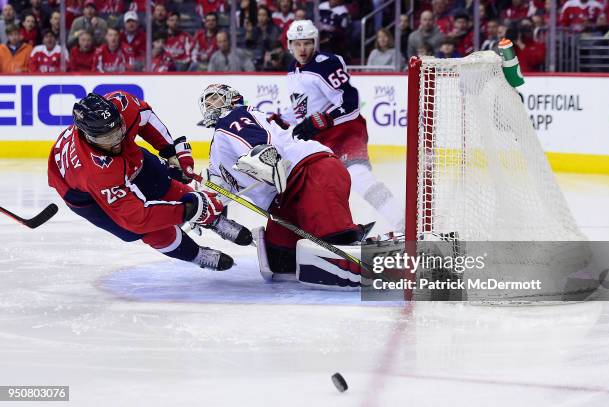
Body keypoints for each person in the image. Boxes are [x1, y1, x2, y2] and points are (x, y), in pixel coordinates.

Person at [48, 92, 252, 272]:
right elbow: (138, 218)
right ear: (90, 137)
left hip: (126, 161)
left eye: (119, 129)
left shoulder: (123, 105)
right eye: (108, 138)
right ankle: (196, 254)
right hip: (84, 195)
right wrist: (188, 210)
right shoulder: (93, 173)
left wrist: (169, 151)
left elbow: (145, 117)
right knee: (143, 229)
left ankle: (214, 219)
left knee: (161, 183)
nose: (117, 140)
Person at [199, 83, 368, 287]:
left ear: (231, 98)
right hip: (282, 200)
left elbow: (254, 140)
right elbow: (218, 187)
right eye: (206, 101)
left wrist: (263, 154)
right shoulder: (217, 147)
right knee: (280, 262)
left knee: (334, 247)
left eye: (214, 98)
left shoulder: (234, 116)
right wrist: (197, 208)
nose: (209, 104)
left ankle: (371, 255)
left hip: (310, 171)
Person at [283, 20, 405, 232]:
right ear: (289, 44)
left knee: (358, 177)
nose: (302, 49)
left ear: (315, 42)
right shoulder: (292, 70)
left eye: (307, 43)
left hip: (345, 132)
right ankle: (333, 230)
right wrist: (278, 118)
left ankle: (403, 222)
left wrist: (321, 120)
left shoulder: (326, 65)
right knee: (317, 188)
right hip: (320, 141)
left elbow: (351, 104)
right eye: (297, 44)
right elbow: (301, 110)